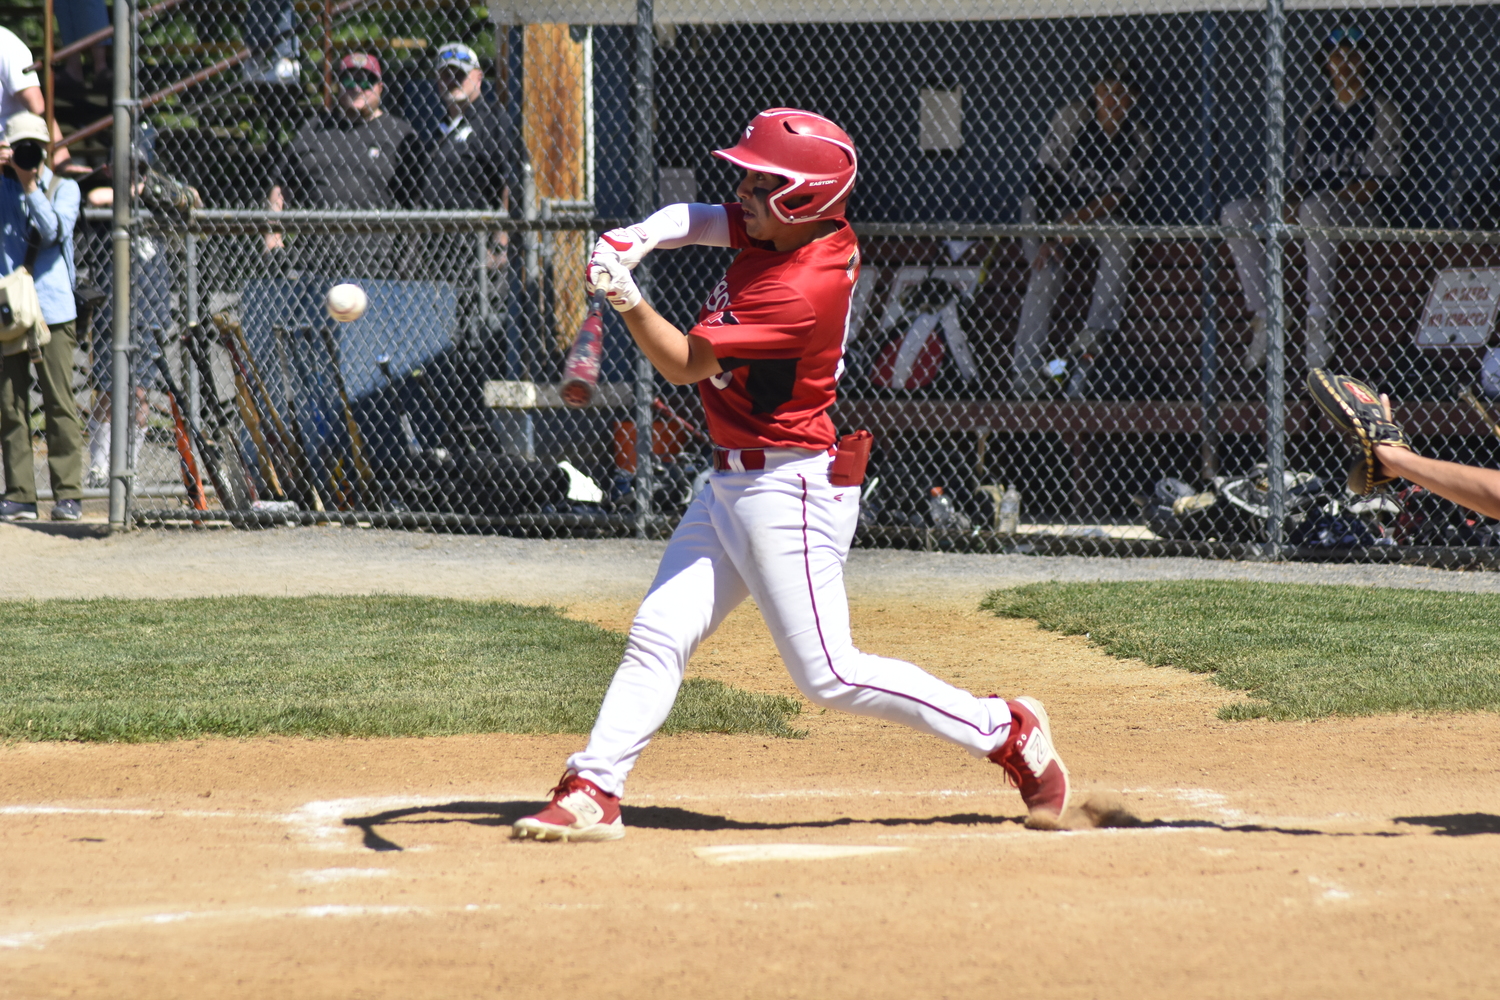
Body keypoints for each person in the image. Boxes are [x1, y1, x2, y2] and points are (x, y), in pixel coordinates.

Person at [511, 108, 1072, 843]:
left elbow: (684, 364)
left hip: (788, 492)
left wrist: (625, 296)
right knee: (657, 632)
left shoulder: (800, 288)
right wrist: (639, 236)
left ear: (802, 198)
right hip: (731, 484)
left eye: (761, 180)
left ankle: (1008, 727)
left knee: (829, 674)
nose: (743, 188)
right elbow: (703, 219)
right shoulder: (800, 225)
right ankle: (594, 786)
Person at [1222, 27, 1405, 372]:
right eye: (1337, 56)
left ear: (1366, 62)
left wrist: (1304, 208)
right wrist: (1284, 202)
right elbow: (1298, 180)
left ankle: (1319, 319)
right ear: (1326, 63)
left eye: (1354, 55)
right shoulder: (1315, 115)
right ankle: (1267, 314)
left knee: (1314, 208)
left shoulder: (1382, 110)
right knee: (1236, 213)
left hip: (1362, 214)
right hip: (1311, 212)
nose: (1345, 64)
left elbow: (1374, 186)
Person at [1011, 56, 1152, 400]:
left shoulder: (1138, 136)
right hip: (1045, 210)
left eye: (1122, 93)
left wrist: (1071, 226)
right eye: (1106, 91)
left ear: (1132, 99)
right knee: (1046, 271)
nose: (1113, 100)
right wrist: (1049, 237)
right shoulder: (1072, 119)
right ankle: (1027, 372)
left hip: (1087, 218)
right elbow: (1043, 180)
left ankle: (1091, 337)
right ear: (1094, 92)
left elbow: (1116, 198)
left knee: (1121, 236)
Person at [265, 53, 418, 279]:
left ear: (380, 88)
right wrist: (273, 240)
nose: (357, 87)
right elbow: (281, 187)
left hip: (379, 267)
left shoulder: (400, 135)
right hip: (314, 266)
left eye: (366, 81)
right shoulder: (313, 130)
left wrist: (407, 264)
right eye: (349, 81)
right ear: (337, 86)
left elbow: (418, 202)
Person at [0, 112, 83, 521]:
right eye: (20, 148)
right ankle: (19, 494)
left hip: (53, 310)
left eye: (34, 149)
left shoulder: (65, 188)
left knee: (59, 402)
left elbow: (51, 232)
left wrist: (31, 185)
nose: (27, 156)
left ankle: (67, 493)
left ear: (46, 152)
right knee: (10, 403)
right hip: (9, 310)